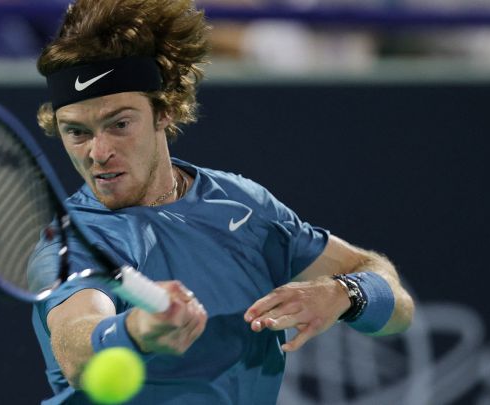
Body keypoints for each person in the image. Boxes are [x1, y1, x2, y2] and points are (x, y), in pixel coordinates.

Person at [27, 1, 415, 404]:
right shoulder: (72, 241)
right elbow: (75, 346)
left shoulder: (243, 205)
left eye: (120, 124)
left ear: (164, 110)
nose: (98, 151)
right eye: (77, 132)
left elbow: (396, 302)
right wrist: (138, 330)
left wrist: (345, 293)